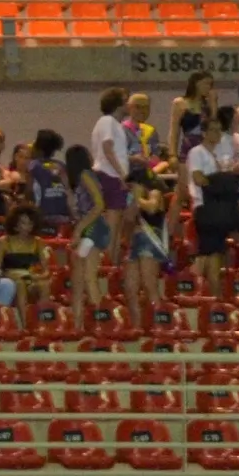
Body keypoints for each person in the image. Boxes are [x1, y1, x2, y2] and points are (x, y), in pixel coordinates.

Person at [187, 109, 239, 293]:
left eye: (219, 130)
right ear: (204, 133)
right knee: (210, 255)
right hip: (205, 208)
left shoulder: (220, 154)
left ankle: (209, 292)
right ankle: (207, 293)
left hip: (220, 208)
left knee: (214, 254)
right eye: (212, 130)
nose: (217, 134)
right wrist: (219, 182)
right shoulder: (197, 152)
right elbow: (198, 178)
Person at [65, 144, 109, 327]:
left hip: (92, 228)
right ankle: (77, 324)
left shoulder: (85, 175)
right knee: (78, 278)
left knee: (89, 276)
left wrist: (79, 229)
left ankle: (100, 325)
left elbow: (99, 205)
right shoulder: (79, 180)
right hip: (87, 228)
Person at [88, 88, 131, 260]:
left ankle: (112, 260)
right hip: (110, 175)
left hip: (113, 174)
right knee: (113, 224)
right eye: (126, 101)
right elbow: (107, 149)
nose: (129, 104)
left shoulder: (116, 124)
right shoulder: (107, 121)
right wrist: (122, 175)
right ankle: (108, 261)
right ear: (118, 104)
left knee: (118, 222)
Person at [124, 163, 169, 325]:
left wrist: (138, 198)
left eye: (132, 185)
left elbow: (152, 209)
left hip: (150, 240)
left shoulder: (154, 193)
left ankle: (159, 325)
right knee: (130, 288)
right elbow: (129, 219)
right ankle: (137, 325)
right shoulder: (134, 199)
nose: (130, 188)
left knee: (149, 285)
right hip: (135, 241)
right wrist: (132, 203)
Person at [0, 205, 53, 308]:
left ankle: (41, 317)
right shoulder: (3, 242)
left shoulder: (38, 242)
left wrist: (36, 277)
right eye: (23, 223)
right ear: (15, 224)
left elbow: (46, 271)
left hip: (31, 278)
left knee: (44, 286)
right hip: (11, 280)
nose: (27, 227)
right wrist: (10, 276)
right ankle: (24, 318)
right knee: (20, 284)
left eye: (30, 223)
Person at [27, 129, 75, 235]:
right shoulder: (61, 165)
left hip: (43, 215)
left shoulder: (34, 166)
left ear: (38, 148)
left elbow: (30, 191)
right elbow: (68, 189)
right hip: (63, 215)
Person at [169, 72, 217, 161]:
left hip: (206, 149)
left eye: (211, 85)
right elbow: (174, 132)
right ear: (196, 83)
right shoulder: (180, 103)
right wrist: (172, 155)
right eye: (206, 83)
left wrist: (213, 105)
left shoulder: (207, 105)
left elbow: (214, 128)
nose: (209, 87)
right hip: (189, 148)